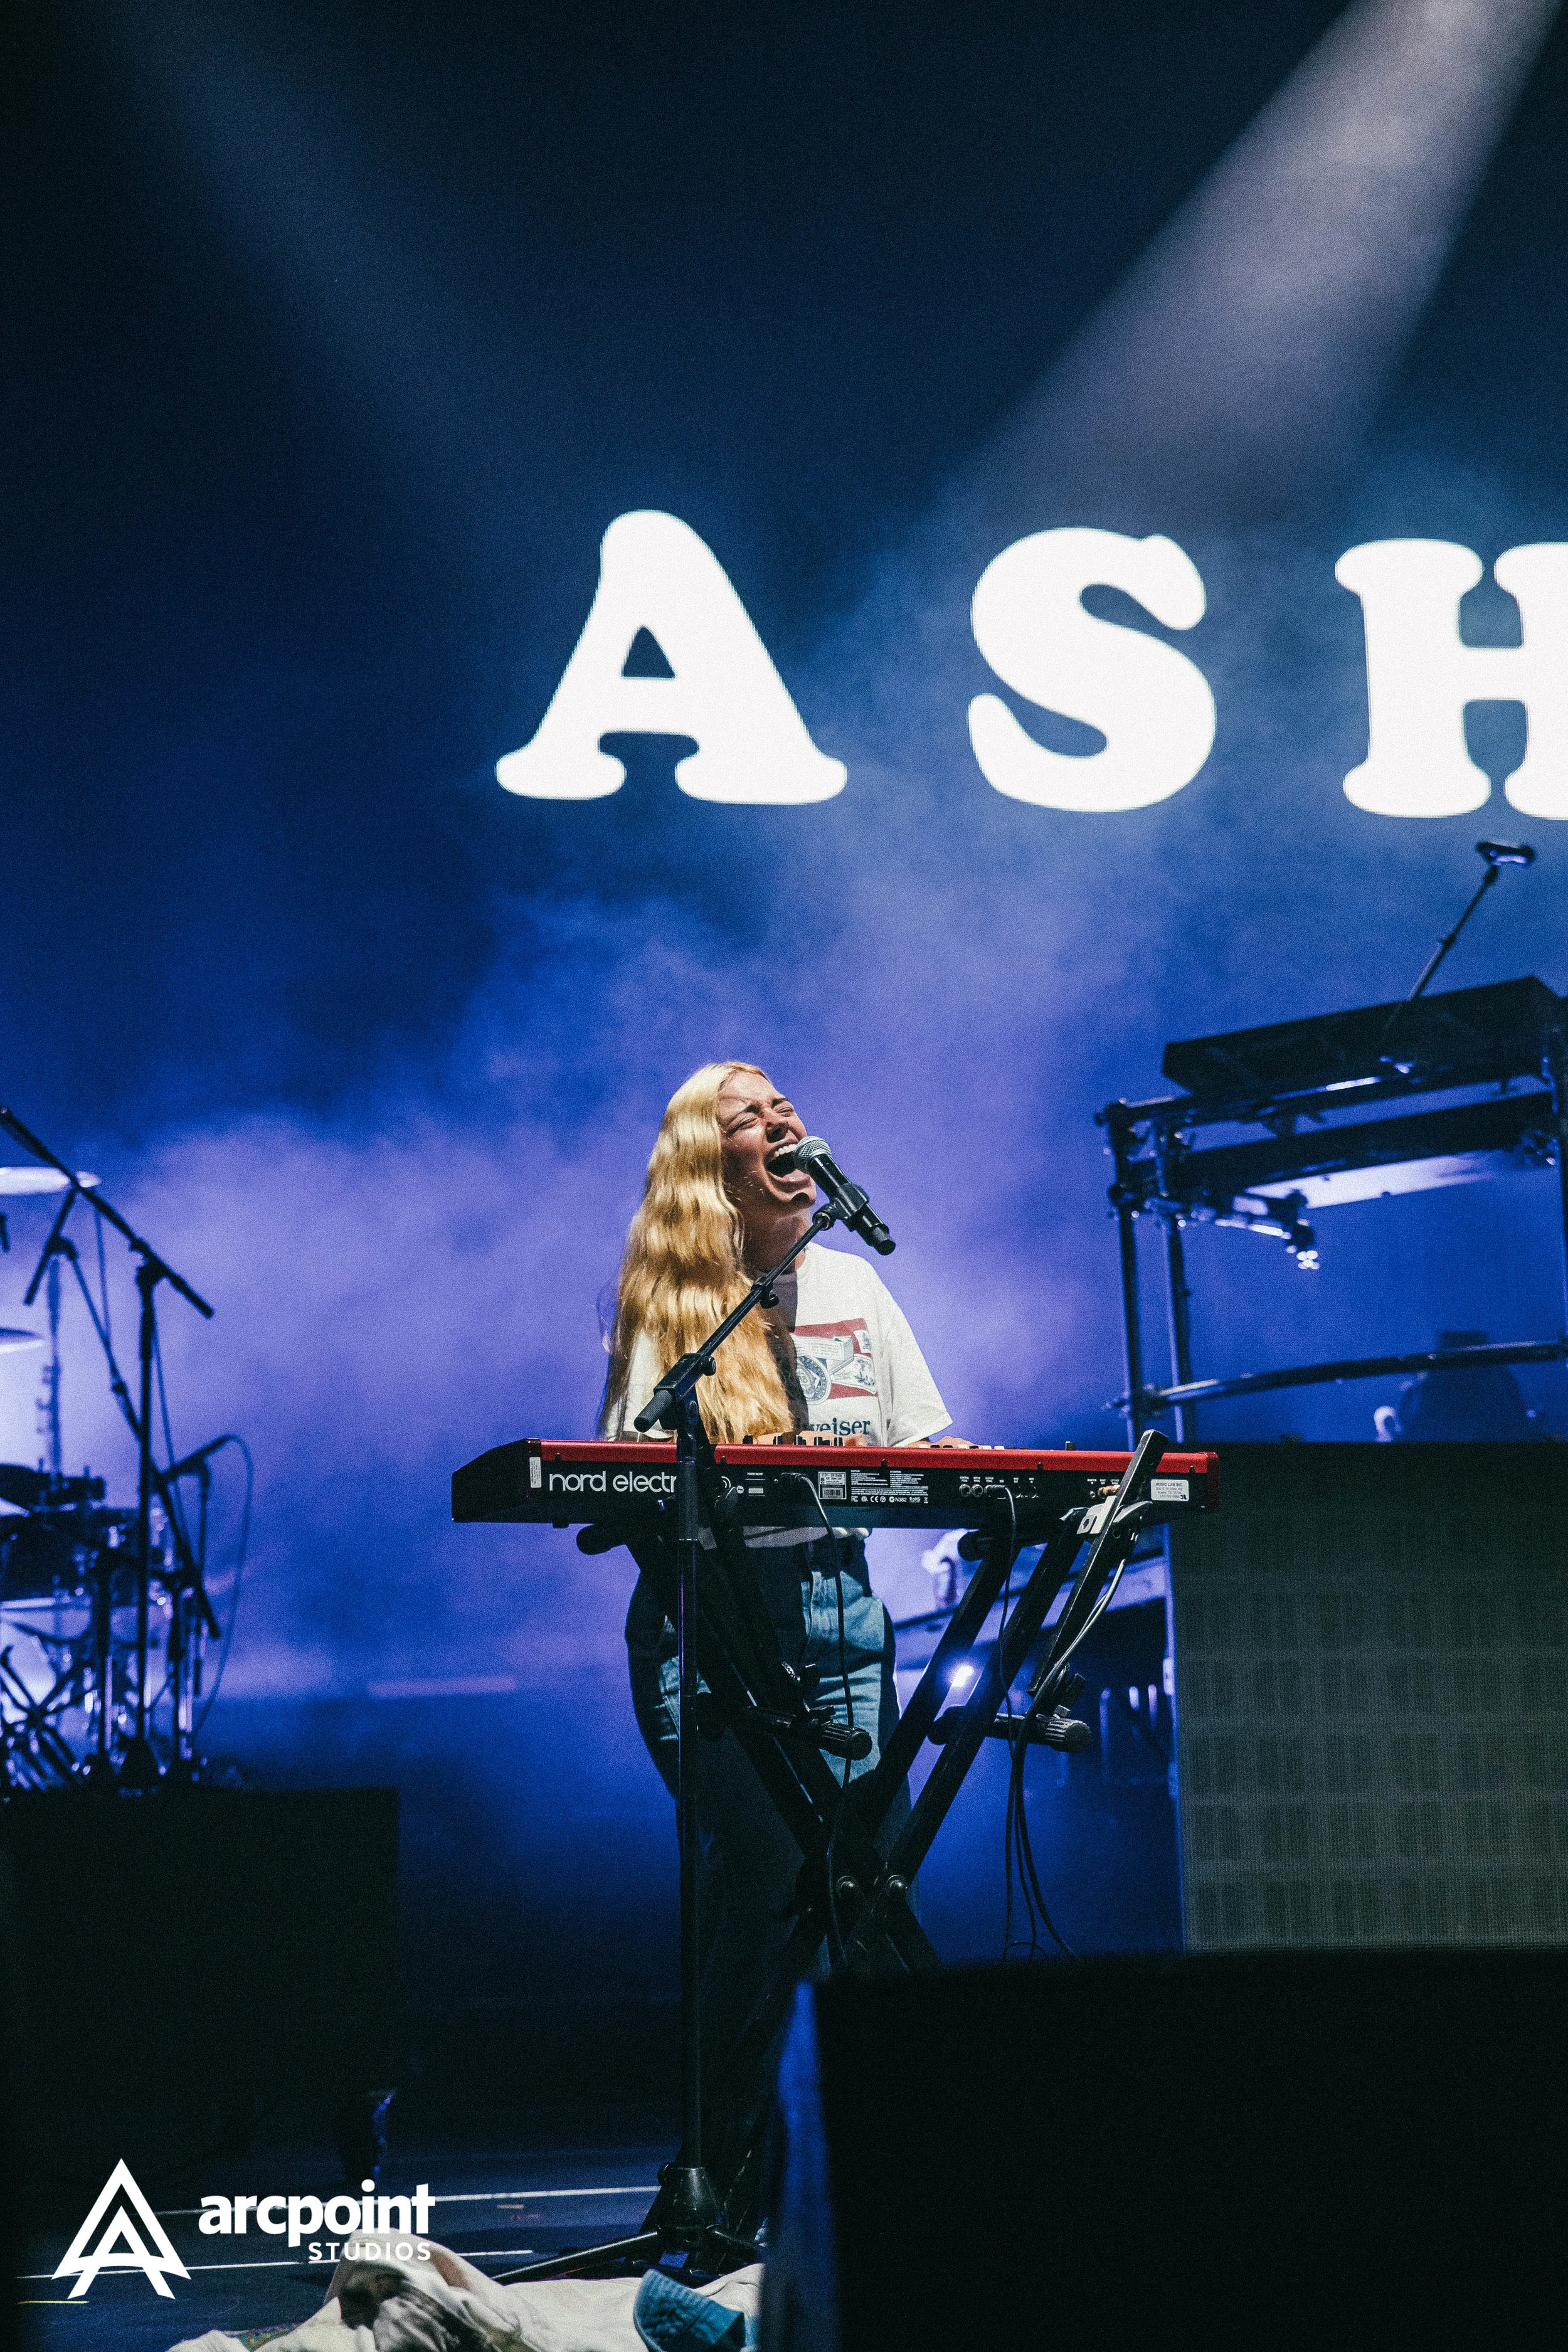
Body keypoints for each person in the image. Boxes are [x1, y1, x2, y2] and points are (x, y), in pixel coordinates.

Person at [600, 1060, 953, 2225]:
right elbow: (631, 1471)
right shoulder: (673, 1298)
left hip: (842, 1620)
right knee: (781, 1885)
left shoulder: (855, 1283)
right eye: (748, 1117)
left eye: (787, 1105)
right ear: (712, 1169)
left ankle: (787, 2183)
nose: (782, 1119)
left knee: (826, 1897)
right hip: (711, 1624)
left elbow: (927, 1448)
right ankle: (739, 2181)